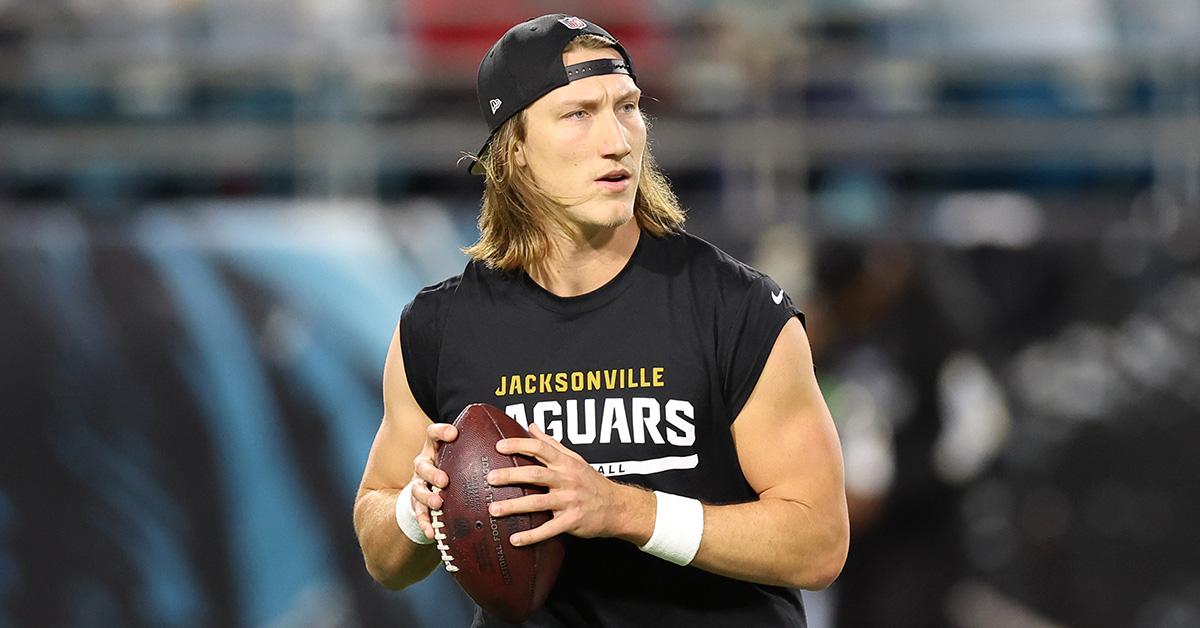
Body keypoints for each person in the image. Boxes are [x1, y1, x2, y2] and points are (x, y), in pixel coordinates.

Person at [353, 14, 848, 627]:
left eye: (629, 107)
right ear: (515, 152)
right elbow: (382, 557)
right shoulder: (439, 327)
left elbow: (820, 540)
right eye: (578, 113)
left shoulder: (735, 307)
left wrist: (622, 511)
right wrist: (414, 509)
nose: (617, 140)